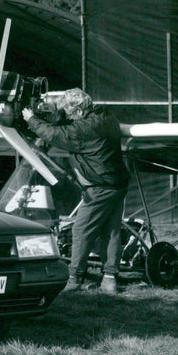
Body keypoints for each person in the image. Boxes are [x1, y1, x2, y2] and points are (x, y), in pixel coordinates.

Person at [22, 88, 129, 294]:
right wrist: (57, 117)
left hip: (99, 188)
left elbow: (57, 134)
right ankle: (109, 280)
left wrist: (31, 119)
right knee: (111, 231)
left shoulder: (82, 130)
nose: (68, 116)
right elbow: (70, 127)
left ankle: (74, 278)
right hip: (117, 184)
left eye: (69, 113)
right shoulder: (106, 117)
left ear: (79, 110)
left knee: (80, 231)